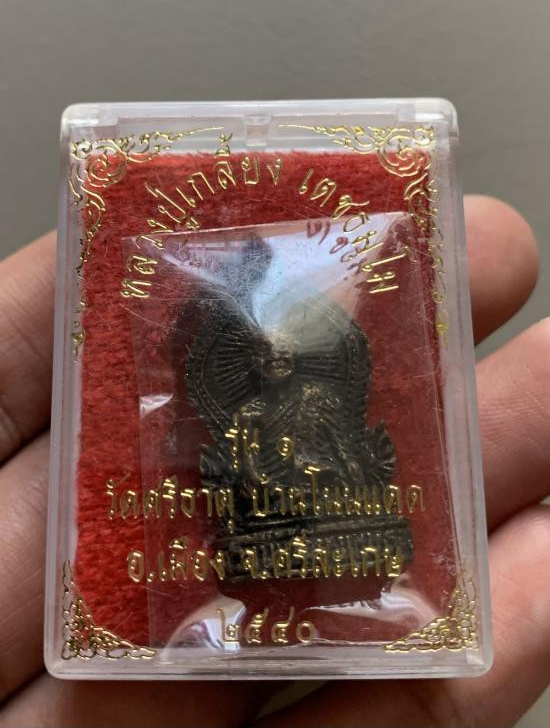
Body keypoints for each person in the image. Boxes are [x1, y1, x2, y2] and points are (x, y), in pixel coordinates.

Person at [0, 195, 547, 728]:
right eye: (266, 356)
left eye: (286, 353)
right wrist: (274, 478)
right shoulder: (251, 413)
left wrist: (334, 473)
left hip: (332, 505)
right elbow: (245, 466)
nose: (276, 361)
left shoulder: (320, 398)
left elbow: (343, 450)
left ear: (301, 356)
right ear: (256, 364)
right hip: (270, 511)